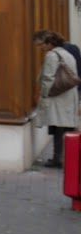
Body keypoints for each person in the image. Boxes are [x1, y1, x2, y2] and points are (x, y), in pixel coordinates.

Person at [36, 31, 79, 169]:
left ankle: (57, 158)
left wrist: (44, 95)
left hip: (56, 97)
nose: (43, 48)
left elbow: (48, 78)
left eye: (44, 44)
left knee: (56, 129)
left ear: (51, 44)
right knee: (66, 128)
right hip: (68, 95)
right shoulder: (68, 55)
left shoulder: (52, 55)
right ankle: (68, 158)